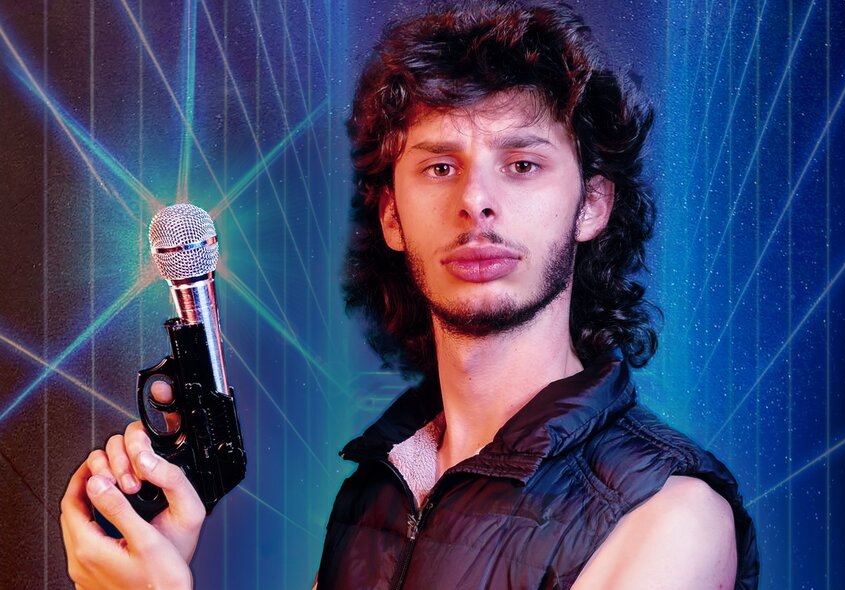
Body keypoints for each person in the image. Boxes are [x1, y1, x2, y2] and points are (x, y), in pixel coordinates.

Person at [60, 1, 760, 588]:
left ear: (591, 206)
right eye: (438, 166)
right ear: (392, 217)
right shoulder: (375, 486)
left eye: (522, 164)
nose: (476, 200)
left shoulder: (671, 516)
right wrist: (162, 552)